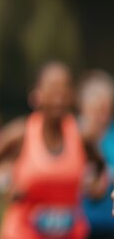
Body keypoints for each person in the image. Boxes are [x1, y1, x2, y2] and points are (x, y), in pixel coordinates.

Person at [0, 62, 108, 239]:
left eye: (64, 89)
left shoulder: (81, 137)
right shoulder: (21, 134)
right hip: (23, 233)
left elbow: (100, 169)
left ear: (72, 96)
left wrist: (96, 188)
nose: (58, 97)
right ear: (36, 94)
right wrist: (3, 186)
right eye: (52, 89)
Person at [77, 71, 114, 239]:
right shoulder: (71, 134)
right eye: (96, 110)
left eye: (106, 109)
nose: (101, 117)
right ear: (83, 107)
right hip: (76, 226)